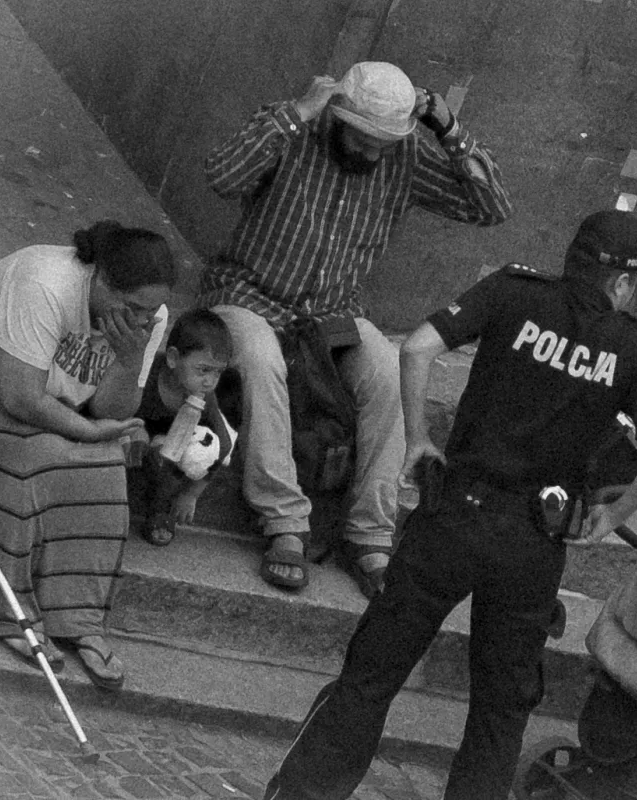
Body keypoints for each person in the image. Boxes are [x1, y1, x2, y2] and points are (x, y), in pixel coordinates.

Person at [265, 210, 637, 800]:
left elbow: (416, 349)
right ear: (621, 283)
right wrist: (612, 517)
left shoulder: (512, 293)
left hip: (454, 513)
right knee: (500, 709)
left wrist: (417, 440)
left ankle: (303, 794)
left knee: (372, 674)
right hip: (535, 541)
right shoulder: (635, 347)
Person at [200, 60, 512, 598]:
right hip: (249, 295)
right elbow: (221, 176)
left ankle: (369, 534)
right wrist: (297, 112)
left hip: (333, 311)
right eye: (363, 136)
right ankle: (284, 523)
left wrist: (447, 126)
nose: (372, 150)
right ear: (339, 114)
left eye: (383, 141)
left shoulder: (405, 152)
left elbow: (491, 207)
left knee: (389, 371)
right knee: (259, 357)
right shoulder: (295, 128)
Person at [0, 221, 175, 690]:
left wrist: (130, 360)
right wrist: (89, 431)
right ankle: (9, 614)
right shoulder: (45, 282)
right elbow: (22, 399)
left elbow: (113, 409)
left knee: (107, 466)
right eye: (131, 308)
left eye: (149, 312)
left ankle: (80, 619)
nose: (140, 321)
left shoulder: (149, 319)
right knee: (40, 456)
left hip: (53, 407)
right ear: (103, 280)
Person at [130, 308, 237, 547]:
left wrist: (192, 494)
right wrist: (137, 429)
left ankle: (159, 511)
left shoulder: (206, 397)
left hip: (172, 448)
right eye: (203, 370)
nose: (210, 381)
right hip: (138, 430)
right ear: (173, 358)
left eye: (218, 372)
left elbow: (224, 446)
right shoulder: (148, 374)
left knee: (171, 459)